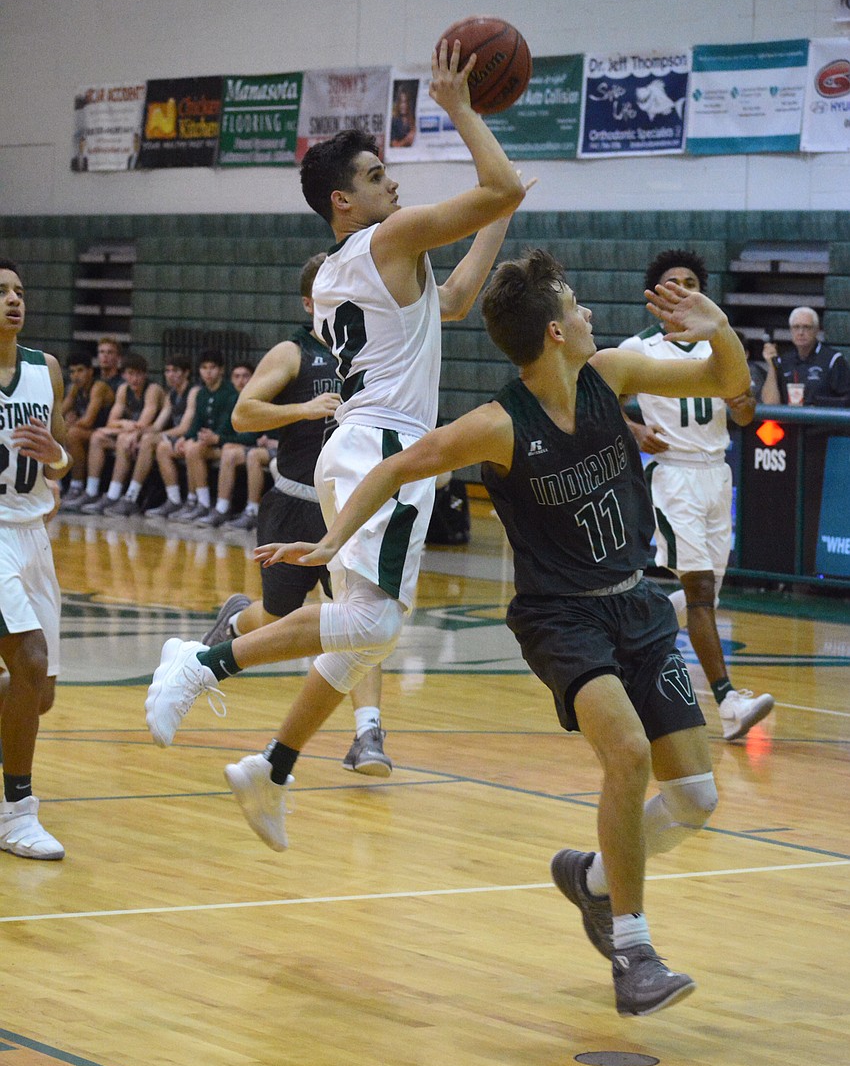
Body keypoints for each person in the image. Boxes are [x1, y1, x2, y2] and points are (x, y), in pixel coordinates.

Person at [260, 253, 752, 1017]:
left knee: (695, 796)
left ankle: (592, 879)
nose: (589, 314)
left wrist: (718, 327)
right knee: (626, 752)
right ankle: (634, 951)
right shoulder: (498, 425)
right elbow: (396, 468)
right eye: (577, 305)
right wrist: (331, 542)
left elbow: (726, 381)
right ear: (555, 332)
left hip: (637, 604)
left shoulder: (612, 374)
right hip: (561, 617)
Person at [144, 38, 528, 841]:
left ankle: (273, 768)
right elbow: (494, 186)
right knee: (373, 627)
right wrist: (461, 111)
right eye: (378, 175)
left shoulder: (349, 268)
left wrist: (502, 215)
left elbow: (457, 299)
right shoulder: (387, 241)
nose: (395, 183)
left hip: (364, 447)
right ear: (343, 201)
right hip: (384, 447)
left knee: (360, 635)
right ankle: (202, 662)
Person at [202, 252, 393, 776]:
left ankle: (368, 733)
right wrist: (302, 409)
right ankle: (236, 620)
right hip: (293, 504)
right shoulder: (293, 352)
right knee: (277, 617)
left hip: (347, 511)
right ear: (311, 303)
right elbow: (243, 414)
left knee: (361, 620)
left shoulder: (371, 348)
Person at [618, 250, 774, 741]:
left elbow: (745, 416)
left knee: (704, 594)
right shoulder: (638, 347)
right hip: (673, 475)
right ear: (656, 295)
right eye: (673, 282)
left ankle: (628, 631)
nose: (683, 288)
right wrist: (634, 430)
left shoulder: (721, 345)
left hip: (717, 475)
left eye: (691, 282)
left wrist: (744, 401)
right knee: (702, 591)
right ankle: (728, 702)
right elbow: (597, 399)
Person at [0, 259, 69, 860]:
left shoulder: (45, 369)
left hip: (33, 534)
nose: (13, 300)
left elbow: (63, 454)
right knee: (30, 658)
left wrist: (58, 457)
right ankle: (18, 812)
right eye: (0, 292)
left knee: (38, 693)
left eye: (19, 290)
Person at [105, 356, 198, 516]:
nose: (170, 375)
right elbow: (156, 426)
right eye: (168, 371)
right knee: (148, 441)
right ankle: (174, 500)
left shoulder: (193, 391)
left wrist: (153, 435)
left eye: (175, 371)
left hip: (191, 437)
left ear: (186, 373)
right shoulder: (171, 394)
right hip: (173, 439)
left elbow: (184, 428)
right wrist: (139, 434)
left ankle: (131, 497)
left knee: (150, 441)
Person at [152, 349, 238, 522]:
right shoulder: (202, 393)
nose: (208, 372)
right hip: (206, 442)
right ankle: (174, 500)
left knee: (193, 449)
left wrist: (211, 437)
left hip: (226, 443)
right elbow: (196, 423)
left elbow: (227, 425)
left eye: (212, 367)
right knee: (164, 448)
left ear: (221, 370)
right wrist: (184, 438)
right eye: (204, 368)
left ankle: (203, 504)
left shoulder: (230, 392)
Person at [79, 352, 165, 514]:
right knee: (97, 437)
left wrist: (123, 428)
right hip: (131, 437)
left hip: (153, 438)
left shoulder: (152, 389)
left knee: (123, 439)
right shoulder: (123, 389)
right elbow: (111, 421)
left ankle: (123, 496)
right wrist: (124, 423)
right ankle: (91, 491)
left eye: (139, 374)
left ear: (145, 375)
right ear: (124, 375)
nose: (135, 379)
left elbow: (143, 424)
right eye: (130, 374)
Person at [195, 361, 258, 527]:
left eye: (245, 376)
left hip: (261, 447)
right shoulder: (234, 399)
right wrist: (209, 437)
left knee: (229, 451)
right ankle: (200, 503)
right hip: (240, 447)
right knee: (197, 449)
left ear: (254, 378)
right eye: (236, 377)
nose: (241, 381)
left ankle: (226, 509)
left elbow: (253, 438)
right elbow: (224, 429)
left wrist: (219, 439)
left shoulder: (259, 399)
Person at [59, 350, 116, 508]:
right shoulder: (75, 389)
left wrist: (68, 424)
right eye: (72, 372)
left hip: (109, 433)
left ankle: (77, 487)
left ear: (90, 371)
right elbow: (58, 414)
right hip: (92, 433)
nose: (75, 376)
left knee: (73, 434)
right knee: (57, 430)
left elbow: (88, 420)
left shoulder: (99, 387)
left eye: (80, 370)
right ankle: (56, 485)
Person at [762, 307, 850, 407]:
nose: (801, 332)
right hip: (790, 416)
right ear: (791, 330)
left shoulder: (833, 360)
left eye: (807, 327)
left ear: (817, 330)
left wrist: (819, 405)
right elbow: (770, 404)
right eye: (796, 327)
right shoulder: (784, 360)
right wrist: (771, 366)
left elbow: (846, 401)